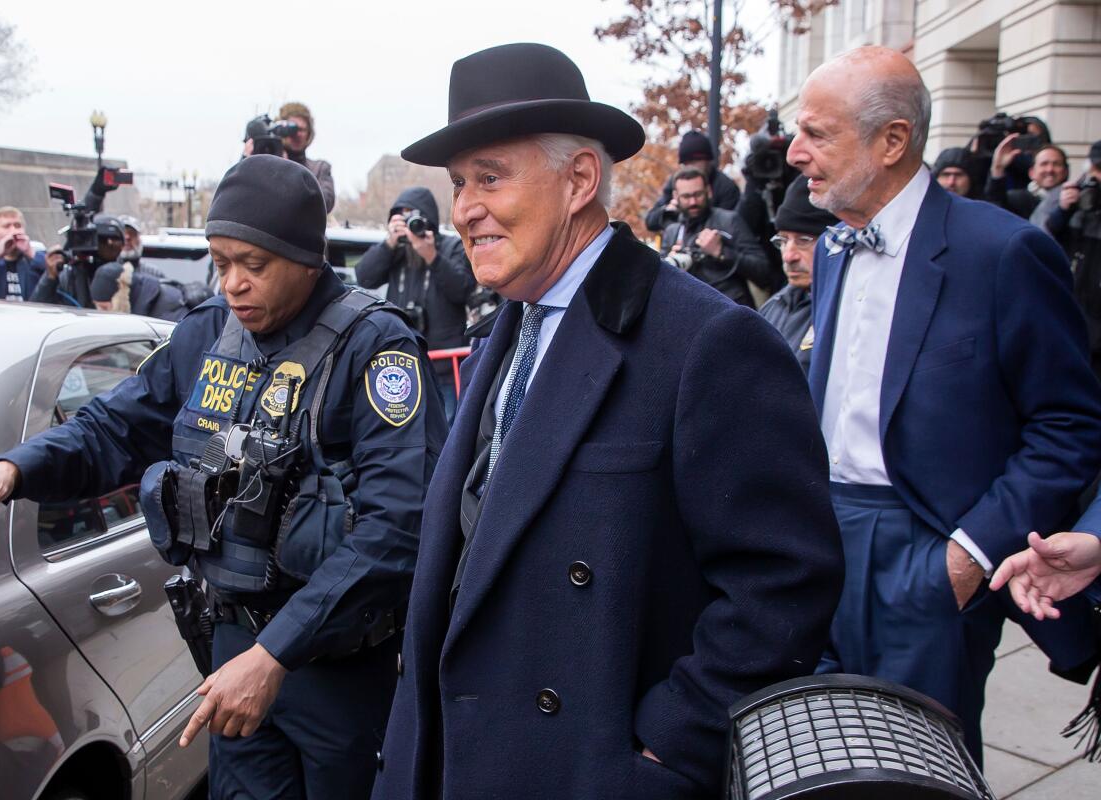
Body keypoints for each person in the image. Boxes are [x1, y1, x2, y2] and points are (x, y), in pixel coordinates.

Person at [371, 42, 844, 799]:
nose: (463, 208)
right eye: (460, 183)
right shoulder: (508, 331)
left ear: (580, 180)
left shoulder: (707, 343)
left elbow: (784, 584)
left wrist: (665, 752)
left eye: (490, 178)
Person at [0, 154, 448, 800]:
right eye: (221, 264)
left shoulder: (374, 348)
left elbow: (400, 525)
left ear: (307, 256)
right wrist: (16, 468)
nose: (233, 285)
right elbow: (116, 427)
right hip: (229, 648)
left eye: (254, 265)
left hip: (333, 670)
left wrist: (276, 653)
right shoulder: (207, 335)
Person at [789, 45, 1101, 764]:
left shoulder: (1005, 252)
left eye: (817, 133)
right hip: (821, 539)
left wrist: (966, 556)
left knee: (917, 769)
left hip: (927, 547)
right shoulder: (834, 248)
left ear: (892, 140)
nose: (797, 151)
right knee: (821, 757)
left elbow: (1068, 425)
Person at [355, 186, 476, 418]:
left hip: (445, 367)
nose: (410, 224)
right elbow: (364, 277)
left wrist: (432, 256)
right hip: (401, 366)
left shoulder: (451, 247)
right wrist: (389, 243)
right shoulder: (395, 251)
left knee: (447, 428)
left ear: (427, 218)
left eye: (414, 216)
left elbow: (462, 289)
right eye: (402, 216)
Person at [758, 174, 840, 375]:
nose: (788, 256)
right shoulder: (773, 307)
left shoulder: (844, 311)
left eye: (804, 240)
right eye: (783, 241)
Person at [658, 166, 774, 307]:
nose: (693, 202)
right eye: (686, 196)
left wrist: (721, 253)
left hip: (732, 310)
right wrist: (671, 267)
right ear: (676, 197)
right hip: (691, 313)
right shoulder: (673, 232)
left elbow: (764, 273)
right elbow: (660, 285)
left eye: (698, 194)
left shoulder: (729, 221)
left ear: (709, 191)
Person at [1045, 140, 1101, 375]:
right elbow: (1052, 236)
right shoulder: (1082, 202)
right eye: (1095, 171)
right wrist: (1064, 208)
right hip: (1081, 322)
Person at [644, 129, 740, 232]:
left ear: (707, 160)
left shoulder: (726, 187)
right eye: (686, 163)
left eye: (696, 161)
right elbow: (650, 221)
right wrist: (667, 212)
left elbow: (729, 226)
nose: (691, 167)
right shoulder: (677, 182)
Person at [30, 214, 125, 309]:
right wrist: (50, 278)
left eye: (114, 238)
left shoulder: (129, 275)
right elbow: (38, 310)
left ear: (123, 244)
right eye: (101, 239)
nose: (109, 243)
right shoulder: (69, 274)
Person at [984, 138, 1069, 225]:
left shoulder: (1074, 200)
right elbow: (995, 207)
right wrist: (998, 168)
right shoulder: (1017, 199)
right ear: (1032, 173)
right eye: (1044, 164)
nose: (1050, 169)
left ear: (1066, 171)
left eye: (1056, 164)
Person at [278, 102, 335, 212]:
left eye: (302, 130)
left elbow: (325, 203)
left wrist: (287, 170)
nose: (297, 134)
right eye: (293, 129)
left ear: (309, 133)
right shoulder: (265, 165)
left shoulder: (320, 169)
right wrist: (245, 158)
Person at [88, 261, 189, 321]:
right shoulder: (139, 304)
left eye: (104, 308)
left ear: (120, 297)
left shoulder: (166, 311)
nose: (101, 313)